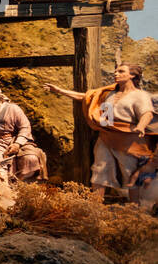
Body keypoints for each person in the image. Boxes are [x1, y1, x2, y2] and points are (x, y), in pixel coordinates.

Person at [46, 64, 154, 200]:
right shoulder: (109, 93)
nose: (116, 74)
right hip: (106, 136)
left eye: (121, 71)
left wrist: (141, 126)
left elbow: (147, 113)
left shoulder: (139, 95)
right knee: (99, 170)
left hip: (128, 139)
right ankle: (95, 207)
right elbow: (87, 97)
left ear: (132, 75)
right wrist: (60, 91)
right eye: (115, 71)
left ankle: (135, 208)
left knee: (130, 172)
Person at [0, 84, 43, 184]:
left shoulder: (13, 108)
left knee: (31, 158)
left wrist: (17, 144)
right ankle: (4, 188)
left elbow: (25, 127)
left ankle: (21, 185)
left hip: (18, 141)